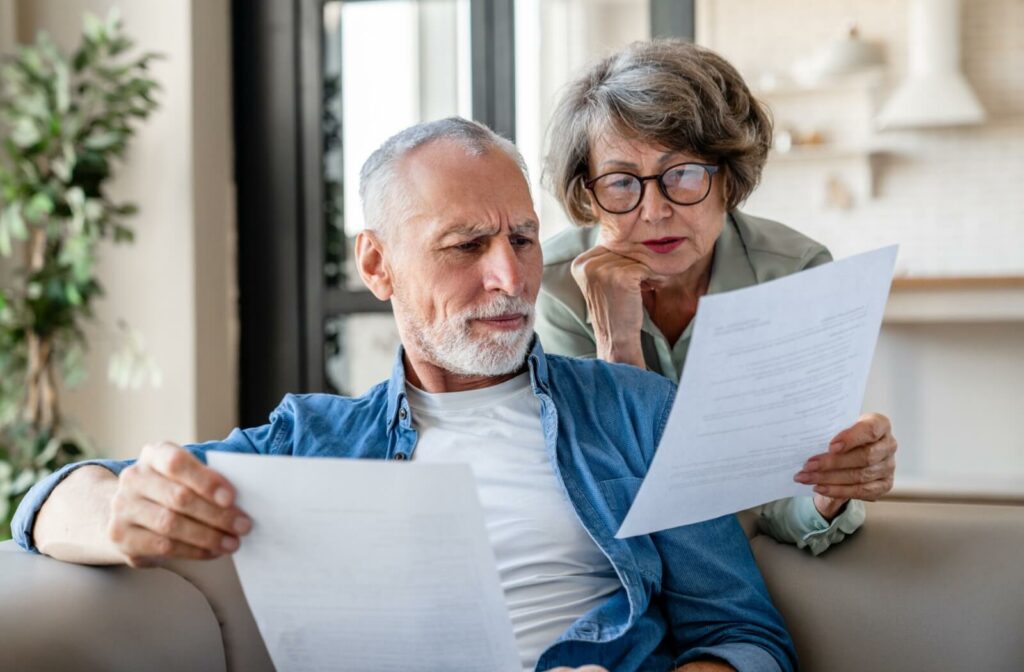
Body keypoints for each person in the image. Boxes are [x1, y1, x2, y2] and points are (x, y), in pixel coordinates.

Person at [14, 118, 796, 672]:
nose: (511, 278)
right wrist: (120, 516)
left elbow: (743, 635)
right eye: (467, 246)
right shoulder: (313, 442)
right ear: (377, 265)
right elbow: (45, 502)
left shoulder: (634, 410)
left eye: (523, 238)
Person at [536, 40, 897, 555]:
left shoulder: (794, 275)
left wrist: (829, 491)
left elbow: (780, 497)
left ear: (728, 177)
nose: (654, 211)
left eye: (681, 174)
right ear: (588, 195)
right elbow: (602, 498)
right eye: (620, 182)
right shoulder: (554, 287)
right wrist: (617, 347)